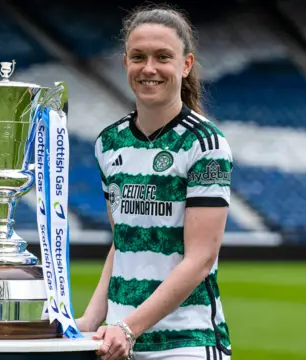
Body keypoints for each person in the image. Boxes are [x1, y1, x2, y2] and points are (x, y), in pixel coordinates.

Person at [76, 4, 233, 360]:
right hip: (115, 341)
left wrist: (130, 328)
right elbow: (123, 241)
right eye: (138, 56)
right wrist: (92, 317)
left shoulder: (204, 144)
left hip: (184, 343)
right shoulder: (109, 142)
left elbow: (200, 259)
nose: (149, 68)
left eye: (163, 57)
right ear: (125, 63)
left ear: (186, 64)